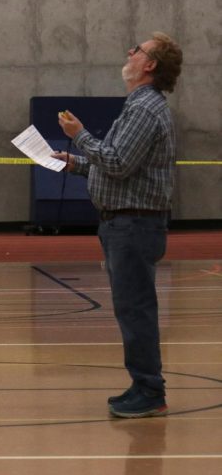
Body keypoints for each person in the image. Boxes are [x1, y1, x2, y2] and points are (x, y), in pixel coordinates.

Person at [53, 31, 183, 419]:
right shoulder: (139, 106)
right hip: (126, 224)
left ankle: (149, 389)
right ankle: (143, 384)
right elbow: (116, 163)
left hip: (134, 225)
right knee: (133, 308)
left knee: (136, 309)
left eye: (138, 49)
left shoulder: (144, 110)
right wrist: (75, 163)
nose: (129, 51)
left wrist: (80, 138)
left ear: (150, 65)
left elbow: (118, 163)